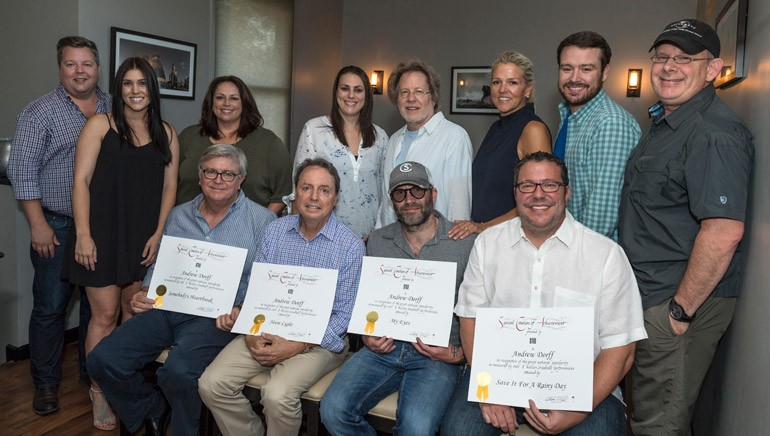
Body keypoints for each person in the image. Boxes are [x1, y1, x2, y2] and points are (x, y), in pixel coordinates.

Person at [443, 152, 646, 436]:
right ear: (515, 194)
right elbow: (470, 319)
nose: (538, 194)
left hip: (582, 385)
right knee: (458, 431)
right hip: (498, 376)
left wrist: (578, 409)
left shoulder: (606, 256)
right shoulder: (488, 243)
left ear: (567, 193)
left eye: (550, 185)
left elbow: (621, 348)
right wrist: (488, 390)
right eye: (527, 186)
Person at [618, 19, 754, 435]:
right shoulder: (666, 122)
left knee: (658, 423)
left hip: (674, 304)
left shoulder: (715, 133)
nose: (668, 67)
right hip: (649, 294)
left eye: (684, 58)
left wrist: (678, 313)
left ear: (713, 69)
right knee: (641, 412)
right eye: (661, 57)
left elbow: (723, 231)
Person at [87, 144, 275, 436]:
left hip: (216, 317)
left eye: (228, 174)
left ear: (241, 180)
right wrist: (146, 289)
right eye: (211, 171)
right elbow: (161, 262)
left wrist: (241, 310)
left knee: (179, 372)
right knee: (102, 359)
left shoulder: (263, 222)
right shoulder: (178, 216)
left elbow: (265, 280)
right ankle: (152, 408)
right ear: (200, 177)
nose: (218, 179)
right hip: (167, 307)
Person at [199, 158, 365, 436]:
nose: (314, 197)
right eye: (306, 188)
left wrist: (295, 345)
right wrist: (250, 328)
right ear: (295, 193)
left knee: (277, 394)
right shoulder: (275, 231)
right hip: (267, 328)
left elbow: (344, 316)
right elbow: (257, 288)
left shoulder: (350, 245)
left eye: (324, 190)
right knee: (211, 384)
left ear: (335, 198)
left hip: (319, 342)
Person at [61, 56, 179, 430]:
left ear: (151, 88)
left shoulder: (167, 132)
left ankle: (123, 387)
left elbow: (170, 187)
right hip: (101, 235)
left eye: (142, 83)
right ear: (118, 89)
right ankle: (100, 390)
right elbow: (80, 181)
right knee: (105, 315)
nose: (135, 91)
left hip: (143, 238)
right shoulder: (100, 125)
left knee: (133, 317)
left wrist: (160, 233)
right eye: (127, 84)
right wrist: (82, 235)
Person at [321, 161, 475, 435]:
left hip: (436, 356)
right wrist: (366, 335)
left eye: (417, 191)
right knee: (333, 410)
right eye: (399, 193)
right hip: (383, 350)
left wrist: (459, 354)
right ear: (392, 200)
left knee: (416, 428)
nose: (409, 200)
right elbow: (366, 301)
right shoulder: (378, 241)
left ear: (433, 194)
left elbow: (479, 308)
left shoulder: (464, 242)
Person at [7, 35, 110, 417]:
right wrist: (37, 224)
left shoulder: (114, 106)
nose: (80, 71)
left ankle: (91, 374)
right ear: (60, 68)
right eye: (71, 64)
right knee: (51, 307)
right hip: (57, 224)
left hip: (102, 228)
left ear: (97, 68)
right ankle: (46, 384)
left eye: (86, 64)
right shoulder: (38, 113)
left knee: (96, 307)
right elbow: (22, 173)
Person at [448, 51, 551, 240]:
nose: (503, 89)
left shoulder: (533, 129)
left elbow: (540, 197)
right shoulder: (496, 128)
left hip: (513, 240)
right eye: (496, 82)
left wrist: (483, 226)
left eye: (512, 82)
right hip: (489, 239)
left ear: (527, 90)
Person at [553, 31, 640, 240]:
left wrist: (572, 260)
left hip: (590, 257)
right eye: (567, 68)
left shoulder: (611, 123)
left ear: (605, 72)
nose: (574, 78)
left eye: (586, 69)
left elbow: (600, 220)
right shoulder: (570, 116)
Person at [290, 65, 389, 238]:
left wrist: (378, 233)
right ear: (336, 93)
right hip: (323, 235)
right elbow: (299, 186)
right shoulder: (314, 129)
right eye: (345, 89)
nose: (351, 95)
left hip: (369, 238)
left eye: (358, 90)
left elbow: (385, 190)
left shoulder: (380, 137)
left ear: (366, 96)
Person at [376, 59, 473, 228]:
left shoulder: (454, 137)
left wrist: (452, 249)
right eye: (404, 92)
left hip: (436, 245)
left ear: (433, 98)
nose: (411, 99)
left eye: (419, 92)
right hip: (394, 245)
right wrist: (380, 237)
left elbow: (459, 206)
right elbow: (387, 203)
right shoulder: (394, 140)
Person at [177, 75, 292, 213]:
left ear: (244, 103)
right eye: (220, 97)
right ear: (211, 102)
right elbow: (169, 185)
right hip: (187, 227)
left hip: (248, 231)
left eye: (234, 98)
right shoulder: (188, 137)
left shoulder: (269, 143)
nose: (226, 103)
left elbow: (282, 195)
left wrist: (261, 226)